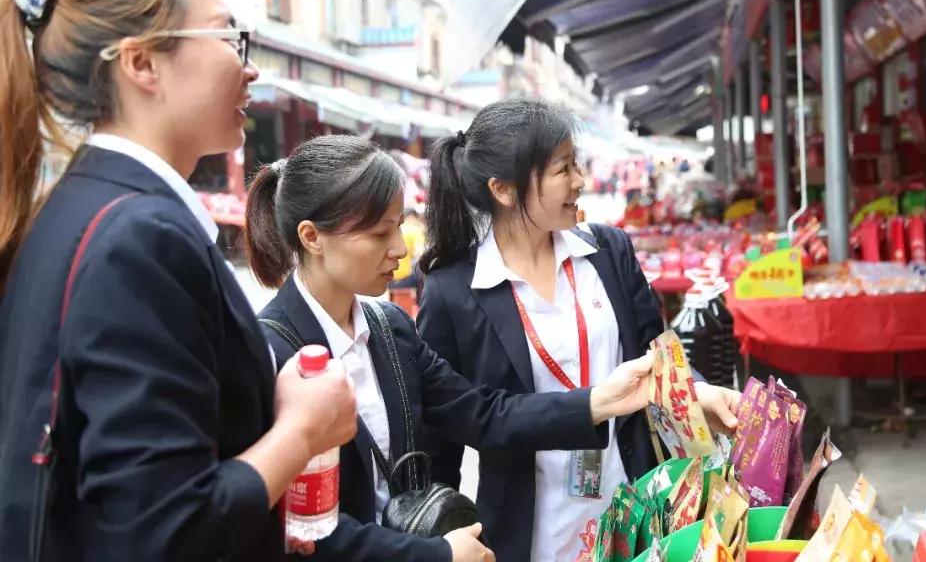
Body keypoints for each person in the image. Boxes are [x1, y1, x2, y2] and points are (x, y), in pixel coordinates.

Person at [0, 0, 357, 562]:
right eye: (227, 36)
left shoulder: (82, 207)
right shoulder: (142, 237)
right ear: (142, 63)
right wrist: (301, 431)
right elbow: (166, 530)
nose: (249, 68)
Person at [245, 134, 674, 562]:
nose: (399, 249)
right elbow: (297, 529)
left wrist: (599, 401)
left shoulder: (389, 329)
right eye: (379, 234)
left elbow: (482, 414)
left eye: (399, 225)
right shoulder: (268, 356)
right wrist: (436, 555)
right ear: (312, 237)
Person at [417, 99, 740, 562]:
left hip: (637, 510)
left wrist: (698, 393)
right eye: (563, 169)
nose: (580, 182)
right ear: (504, 190)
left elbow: (658, 354)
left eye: (577, 165)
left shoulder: (607, 252)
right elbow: (446, 433)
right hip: (529, 534)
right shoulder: (454, 290)